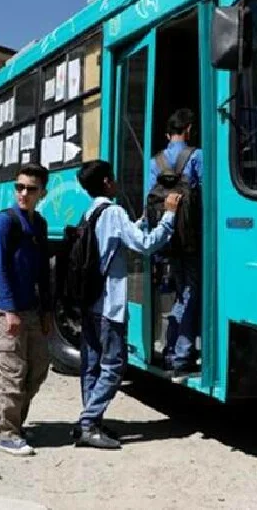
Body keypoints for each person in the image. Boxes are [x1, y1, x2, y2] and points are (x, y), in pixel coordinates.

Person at [77, 160, 179, 449]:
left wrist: (142, 221)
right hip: (110, 305)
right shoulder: (113, 211)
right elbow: (145, 244)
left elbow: (119, 239)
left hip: (90, 303)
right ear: (108, 182)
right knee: (114, 365)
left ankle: (90, 419)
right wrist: (168, 216)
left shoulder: (91, 212)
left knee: (92, 365)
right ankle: (88, 423)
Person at [0, 164, 52, 457]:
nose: (24, 193)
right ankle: (7, 433)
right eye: (19, 187)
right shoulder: (4, 221)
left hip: (32, 309)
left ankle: (10, 420)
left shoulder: (39, 223)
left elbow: (42, 272)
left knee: (38, 368)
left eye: (31, 188)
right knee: (13, 372)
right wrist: (8, 309)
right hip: (7, 310)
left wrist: (47, 310)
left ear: (43, 193)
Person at [147, 108, 203, 377]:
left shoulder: (154, 162)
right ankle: (180, 352)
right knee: (189, 292)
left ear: (167, 134)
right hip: (190, 237)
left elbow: (149, 200)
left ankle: (173, 348)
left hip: (165, 236)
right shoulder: (196, 156)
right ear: (189, 130)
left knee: (179, 291)